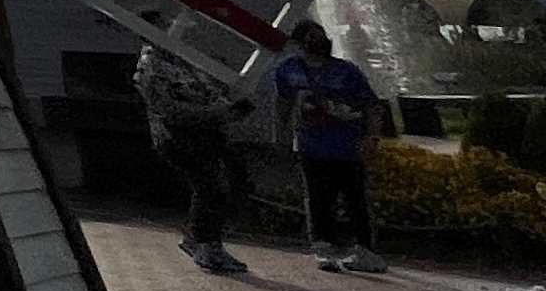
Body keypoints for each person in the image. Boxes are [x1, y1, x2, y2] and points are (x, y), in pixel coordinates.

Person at [270, 22, 387, 273]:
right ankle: (324, 246)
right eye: (312, 38)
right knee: (318, 199)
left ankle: (366, 250)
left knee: (355, 199)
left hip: (348, 146)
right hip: (311, 146)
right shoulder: (288, 70)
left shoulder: (346, 72)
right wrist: (280, 137)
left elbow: (372, 106)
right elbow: (283, 105)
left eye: (321, 36)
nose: (319, 42)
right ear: (298, 44)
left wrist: (371, 138)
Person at [136, 42, 254, 275]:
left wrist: (230, 108)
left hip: (206, 133)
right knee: (210, 185)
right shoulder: (150, 67)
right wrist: (216, 112)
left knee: (221, 186)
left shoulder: (185, 62)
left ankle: (206, 241)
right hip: (178, 137)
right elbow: (170, 110)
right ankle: (204, 244)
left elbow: (209, 93)